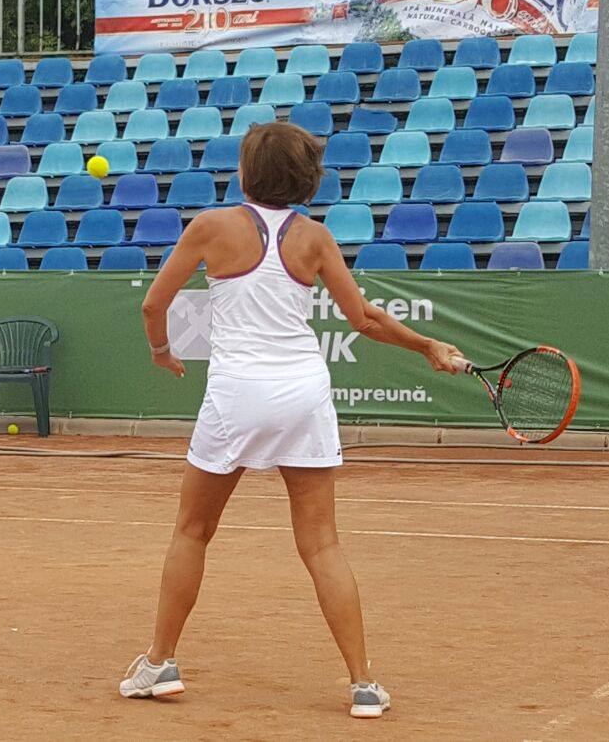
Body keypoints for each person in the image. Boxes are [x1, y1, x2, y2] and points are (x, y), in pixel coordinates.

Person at [122, 123, 463, 718]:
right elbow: (363, 319)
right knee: (322, 543)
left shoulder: (211, 226)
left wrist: (160, 350)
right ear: (307, 179)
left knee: (192, 531)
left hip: (236, 396)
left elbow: (154, 303)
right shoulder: (316, 237)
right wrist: (427, 345)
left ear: (245, 172)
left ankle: (160, 663)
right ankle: (363, 685)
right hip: (303, 392)